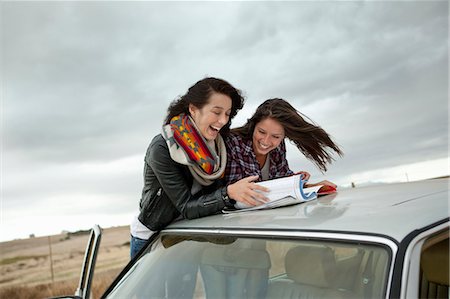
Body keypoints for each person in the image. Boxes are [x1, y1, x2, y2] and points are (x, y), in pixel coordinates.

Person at [130, 77, 269, 259]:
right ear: (193, 109)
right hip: (153, 235)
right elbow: (186, 206)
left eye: (227, 114)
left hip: (189, 232)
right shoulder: (162, 147)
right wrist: (229, 193)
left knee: (182, 289)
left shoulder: (219, 145)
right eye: (217, 112)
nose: (222, 121)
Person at [224, 98, 343, 190]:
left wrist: (305, 185)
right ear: (253, 124)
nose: (265, 141)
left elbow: (280, 183)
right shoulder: (233, 143)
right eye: (261, 132)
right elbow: (228, 191)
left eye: (275, 136)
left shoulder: (278, 148)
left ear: (284, 136)